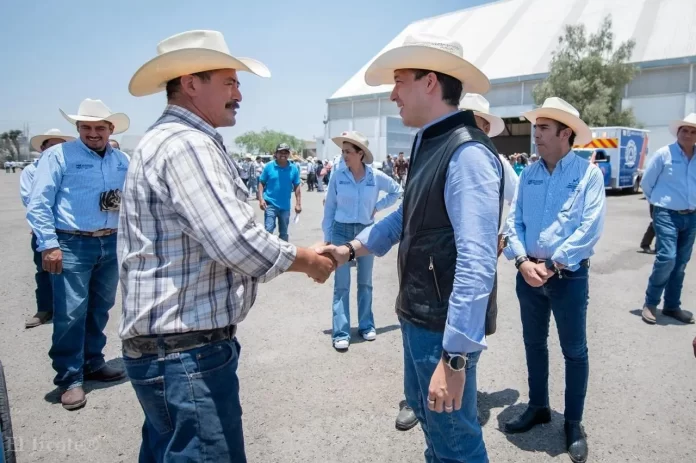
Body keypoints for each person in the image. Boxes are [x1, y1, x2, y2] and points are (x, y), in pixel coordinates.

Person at [121, 30, 335, 462]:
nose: (239, 94)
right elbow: (236, 241)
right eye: (229, 82)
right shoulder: (186, 144)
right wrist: (308, 260)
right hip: (185, 356)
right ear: (190, 82)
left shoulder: (171, 139)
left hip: (171, 352)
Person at [318, 33, 501, 462]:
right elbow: (406, 216)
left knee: (457, 445)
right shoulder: (428, 141)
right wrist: (350, 249)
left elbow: (477, 264)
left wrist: (454, 359)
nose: (393, 94)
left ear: (430, 82)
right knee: (436, 436)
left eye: (400, 81)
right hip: (420, 317)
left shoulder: (467, 153)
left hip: (442, 331)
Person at [502, 97, 606, 463]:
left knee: (574, 351)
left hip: (568, 277)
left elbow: (589, 229)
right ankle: (539, 407)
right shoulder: (528, 174)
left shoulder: (588, 175)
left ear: (566, 133)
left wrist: (552, 265)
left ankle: (573, 423)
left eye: (544, 128)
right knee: (534, 344)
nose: (536, 134)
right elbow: (513, 222)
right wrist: (521, 261)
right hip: (528, 273)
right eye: (537, 127)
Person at [26, 99, 131, 411]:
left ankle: (93, 362)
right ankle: (70, 378)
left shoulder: (122, 160)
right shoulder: (59, 155)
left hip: (110, 241)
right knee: (71, 312)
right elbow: (39, 202)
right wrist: (49, 245)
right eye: (86, 127)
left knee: (100, 308)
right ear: (77, 128)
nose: (93, 133)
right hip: (72, 242)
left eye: (100, 127)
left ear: (111, 129)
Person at [322, 131, 402, 351]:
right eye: (343, 152)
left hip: (366, 233)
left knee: (365, 282)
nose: (344, 155)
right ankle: (341, 332)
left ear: (360, 153)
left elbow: (397, 191)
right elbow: (329, 208)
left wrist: (378, 206)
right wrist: (327, 238)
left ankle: (366, 325)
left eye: (348, 151)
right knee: (341, 284)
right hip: (340, 231)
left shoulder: (375, 176)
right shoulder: (338, 176)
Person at [639, 113, 696, 325]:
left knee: (680, 263)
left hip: (692, 216)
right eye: (684, 130)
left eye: (693, 131)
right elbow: (647, 183)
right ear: (678, 132)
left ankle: (672, 306)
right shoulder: (664, 154)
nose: (688, 134)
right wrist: (658, 204)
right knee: (667, 258)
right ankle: (651, 303)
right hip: (666, 214)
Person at [20, 129, 75, 328]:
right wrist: (43, 226)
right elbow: (31, 201)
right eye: (52, 145)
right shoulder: (31, 171)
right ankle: (44, 309)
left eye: (60, 145)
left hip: (69, 231)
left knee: (70, 273)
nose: (56, 149)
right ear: (43, 148)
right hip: (44, 230)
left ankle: (68, 312)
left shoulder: (69, 167)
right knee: (44, 270)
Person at [258, 143, 302, 241]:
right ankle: (268, 250)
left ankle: (284, 250)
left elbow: (297, 186)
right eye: (281, 152)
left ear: (289, 154)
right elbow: (261, 183)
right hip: (270, 204)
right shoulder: (269, 166)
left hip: (285, 206)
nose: (283, 154)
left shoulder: (293, 169)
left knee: (284, 233)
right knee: (268, 230)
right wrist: (261, 199)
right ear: (276, 154)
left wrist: (298, 204)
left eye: (286, 152)